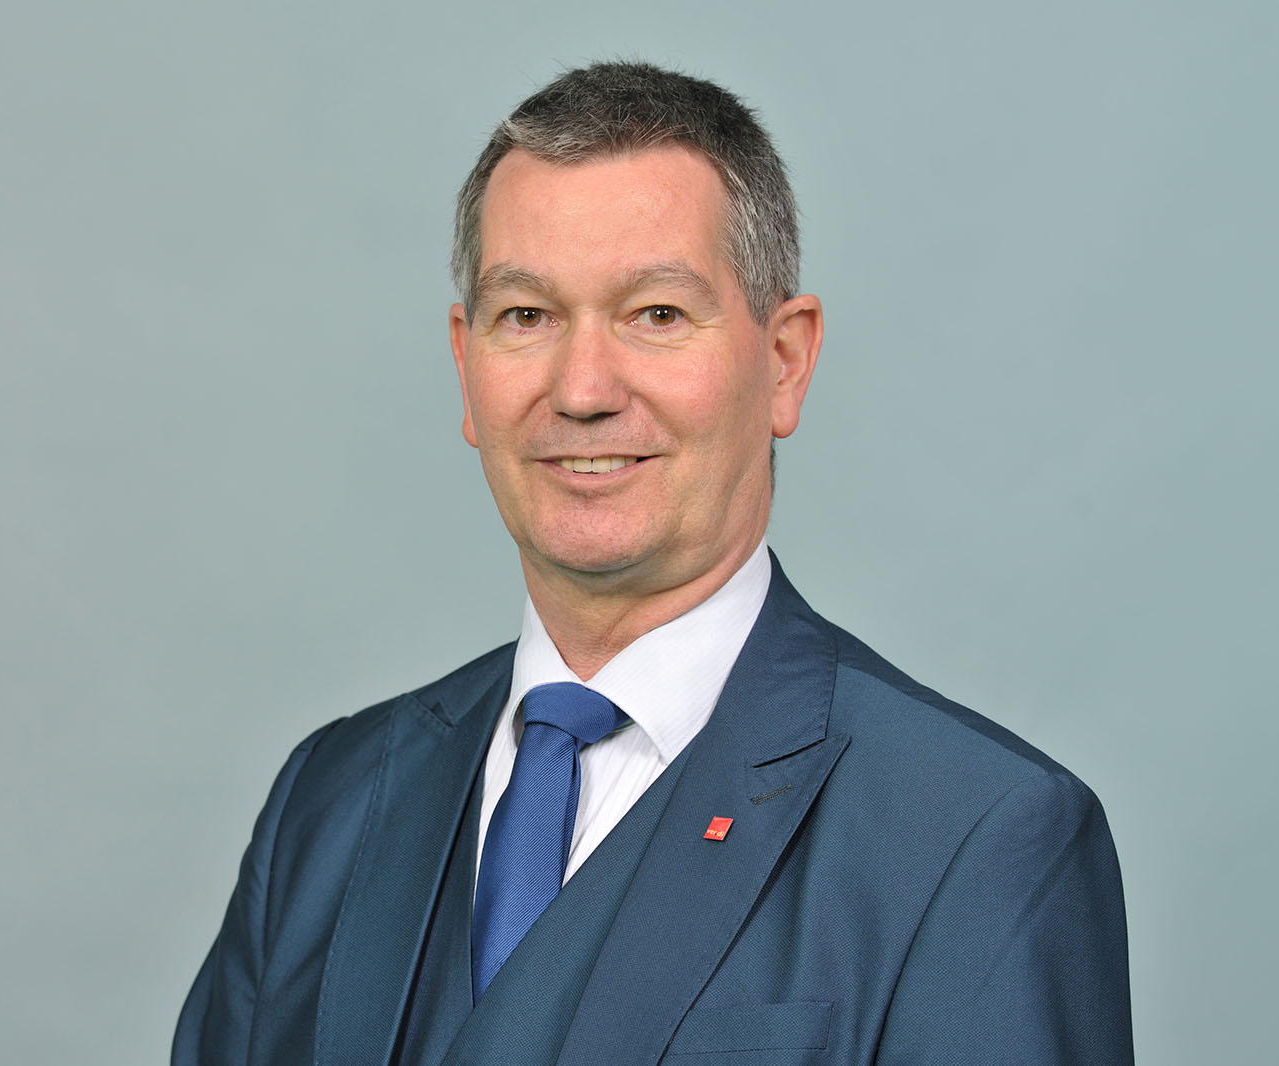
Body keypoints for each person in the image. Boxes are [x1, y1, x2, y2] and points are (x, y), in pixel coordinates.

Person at [173, 61, 1133, 1066]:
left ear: (785, 361)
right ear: (466, 366)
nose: (581, 389)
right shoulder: (330, 801)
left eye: (657, 315)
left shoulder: (971, 838)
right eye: (527, 316)